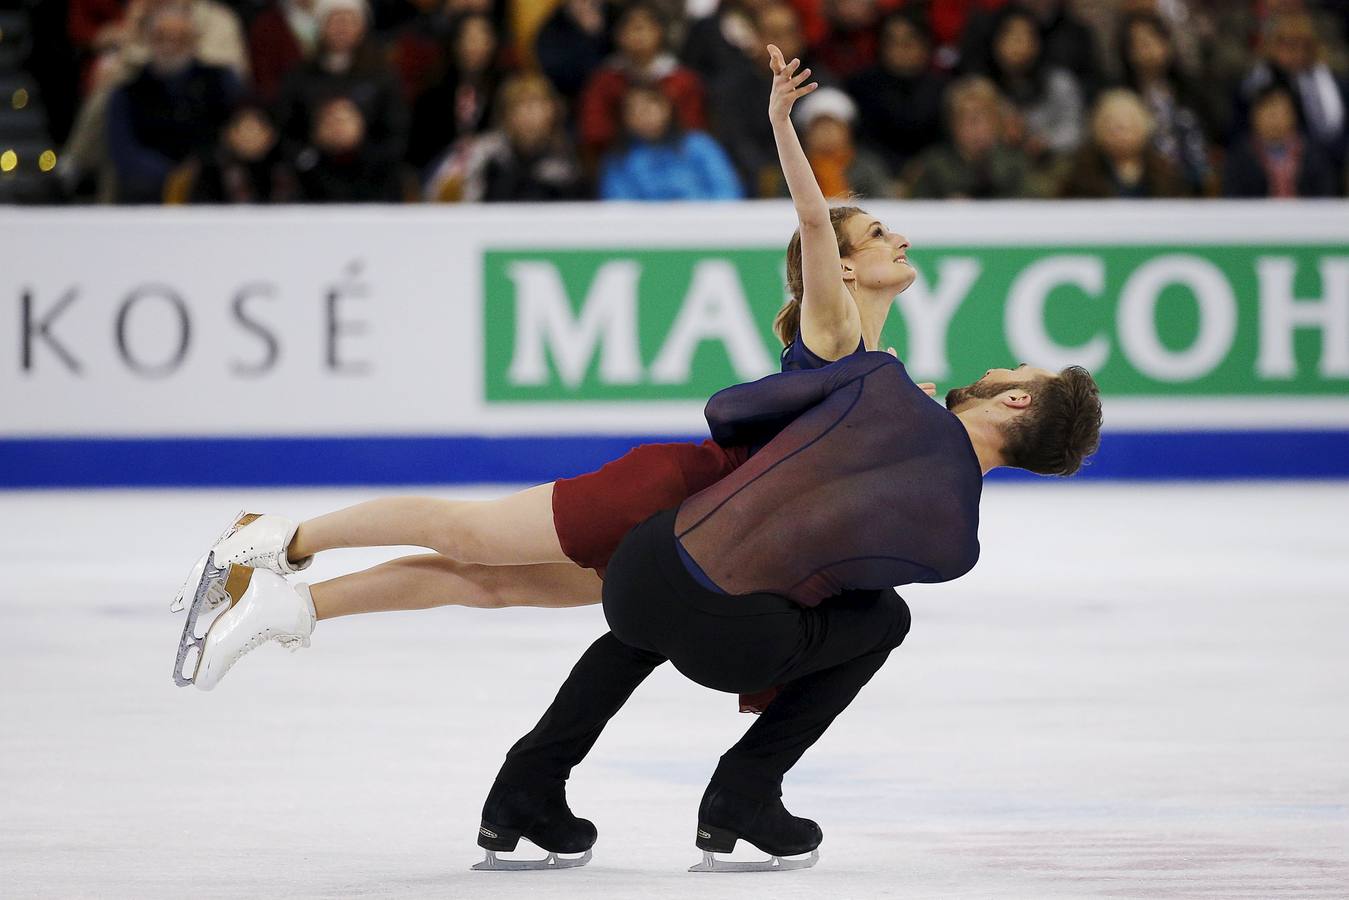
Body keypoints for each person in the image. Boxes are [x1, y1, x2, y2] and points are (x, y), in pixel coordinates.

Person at [169, 43, 934, 704]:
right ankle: (276, 535)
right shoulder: (833, 332)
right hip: (674, 495)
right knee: (464, 533)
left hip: (710, 539)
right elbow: (808, 221)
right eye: (875, 232)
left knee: (488, 585)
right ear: (837, 267)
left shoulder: (889, 370)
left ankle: (288, 610)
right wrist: (777, 123)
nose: (896, 238)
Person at [105, 5, 241, 203]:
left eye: (180, 38)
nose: (170, 45)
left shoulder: (222, 81)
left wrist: (201, 167)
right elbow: (123, 150)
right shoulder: (127, 92)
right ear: (148, 41)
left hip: (212, 188)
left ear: (194, 41)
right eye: (161, 37)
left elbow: (237, 132)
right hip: (148, 193)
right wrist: (171, 175)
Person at [577, 2, 707, 161]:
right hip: (623, 161)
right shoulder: (604, 81)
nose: (638, 36)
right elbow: (594, 133)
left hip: (679, 160)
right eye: (630, 28)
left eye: (643, 27)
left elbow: (694, 129)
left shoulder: (683, 80)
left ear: (659, 31)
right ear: (618, 34)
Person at [424, 73, 586, 202]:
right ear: (506, 114)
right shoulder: (481, 153)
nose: (529, 114)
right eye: (521, 105)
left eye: (536, 104)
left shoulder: (566, 159)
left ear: (551, 112)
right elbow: (440, 192)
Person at [599, 84, 744, 200]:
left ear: (666, 108)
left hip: (705, 228)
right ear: (625, 119)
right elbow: (618, 207)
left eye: (649, 108)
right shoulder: (619, 160)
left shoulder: (699, 146)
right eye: (634, 111)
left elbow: (728, 191)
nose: (643, 116)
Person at [902, 75, 1033, 200]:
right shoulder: (933, 166)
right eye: (970, 120)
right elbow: (918, 208)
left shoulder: (1015, 162)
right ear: (952, 124)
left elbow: (1032, 204)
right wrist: (943, 207)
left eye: (986, 118)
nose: (979, 128)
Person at [1058, 88, 1189, 199]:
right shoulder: (1081, 173)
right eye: (1112, 125)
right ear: (1098, 127)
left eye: (1128, 124)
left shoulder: (1163, 171)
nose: (1120, 133)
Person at [1222, 83, 1339, 199]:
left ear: (1294, 115)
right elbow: (1233, 198)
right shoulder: (1239, 157)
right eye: (1268, 112)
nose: (1274, 119)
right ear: (1253, 116)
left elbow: (1326, 195)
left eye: (1280, 112)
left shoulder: (1314, 154)